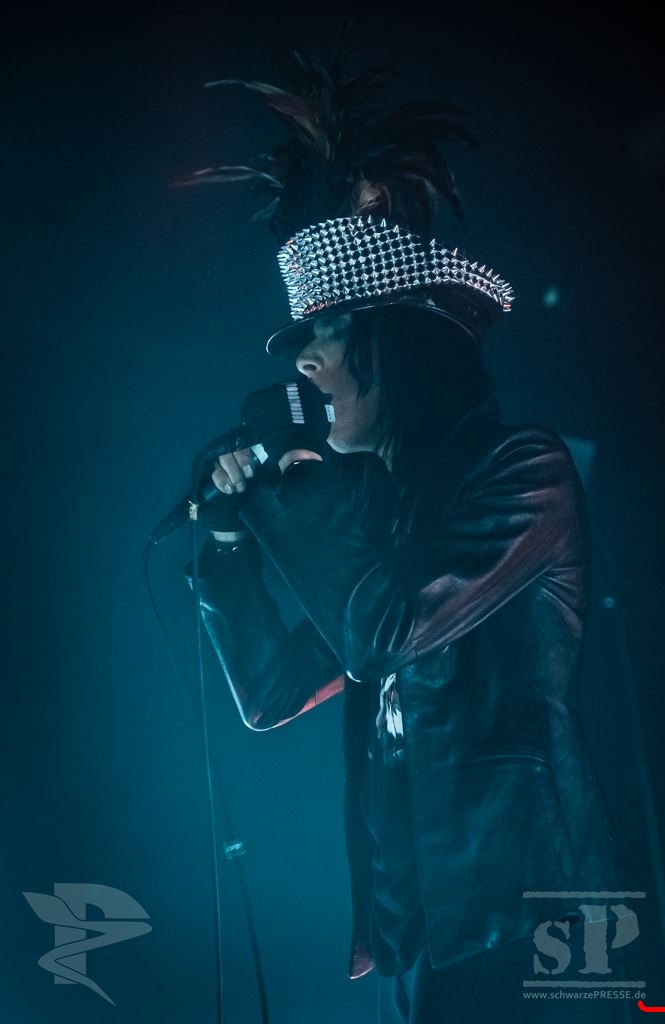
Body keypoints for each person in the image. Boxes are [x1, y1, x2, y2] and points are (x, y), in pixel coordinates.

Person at [182, 50, 637, 1022]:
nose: (304, 364)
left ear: (402, 344)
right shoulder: (373, 515)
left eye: (326, 333)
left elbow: (385, 631)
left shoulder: (523, 470)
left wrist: (296, 482)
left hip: (537, 914)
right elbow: (271, 693)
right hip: (416, 927)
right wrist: (226, 546)